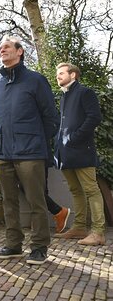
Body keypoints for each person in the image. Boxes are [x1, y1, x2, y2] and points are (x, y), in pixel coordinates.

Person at [0, 36, 59, 265]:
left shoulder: (36, 80)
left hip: (30, 151)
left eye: (7, 46)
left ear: (20, 52)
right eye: (1, 47)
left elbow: (51, 118)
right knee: (9, 201)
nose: (2, 49)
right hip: (2, 152)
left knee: (36, 200)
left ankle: (39, 246)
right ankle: (13, 244)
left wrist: (36, 141)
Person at [0, 98, 70, 234]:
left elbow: (51, 122)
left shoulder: (35, 101)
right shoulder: (8, 107)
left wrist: (37, 140)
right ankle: (55, 214)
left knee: (38, 190)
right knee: (31, 188)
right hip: (21, 152)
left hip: (36, 151)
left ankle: (49, 221)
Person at [53, 63, 106, 246]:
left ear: (73, 75)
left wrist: (74, 138)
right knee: (75, 190)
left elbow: (94, 117)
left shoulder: (85, 93)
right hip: (65, 153)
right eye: (57, 74)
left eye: (61, 73)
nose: (57, 77)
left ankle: (98, 232)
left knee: (91, 190)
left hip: (82, 150)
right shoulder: (64, 96)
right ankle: (79, 227)